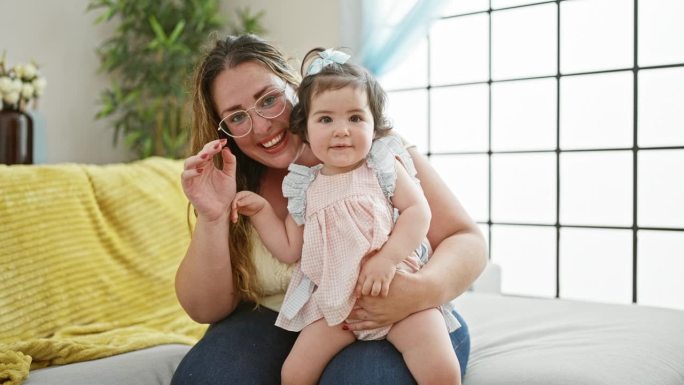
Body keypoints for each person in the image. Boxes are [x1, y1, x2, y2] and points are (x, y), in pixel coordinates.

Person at [172, 34, 487, 385]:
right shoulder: (263, 184)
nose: (262, 126)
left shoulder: (375, 153)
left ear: (296, 88)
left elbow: (467, 240)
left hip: (403, 308)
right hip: (303, 319)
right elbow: (205, 309)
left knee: (360, 379)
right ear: (225, 130)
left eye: (270, 99)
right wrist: (214, 217)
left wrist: (419, 291)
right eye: (237, 117)